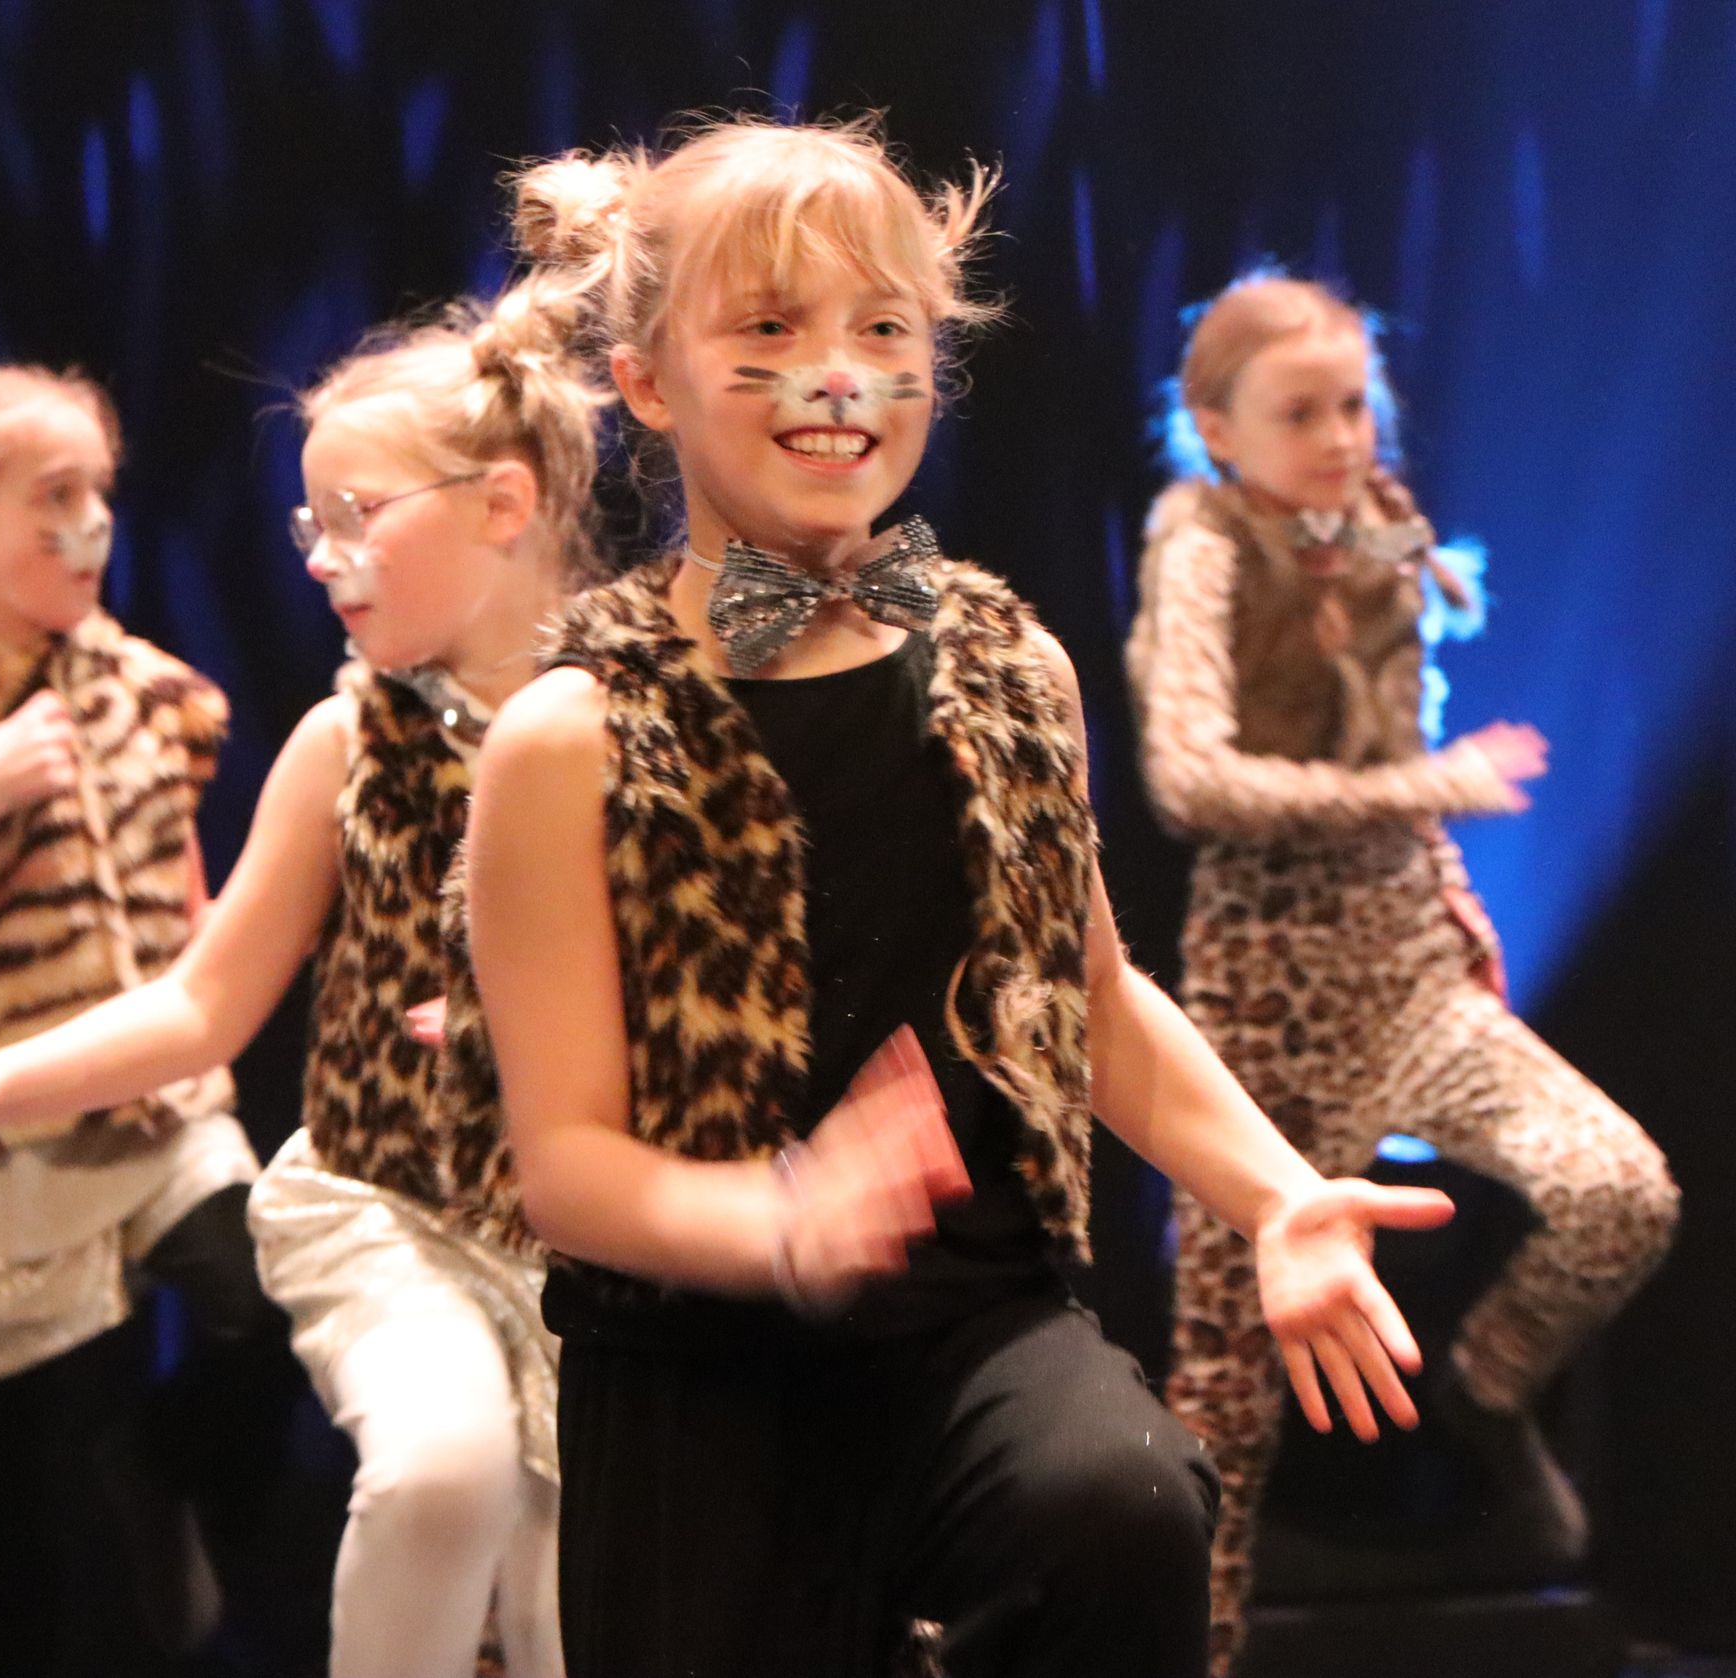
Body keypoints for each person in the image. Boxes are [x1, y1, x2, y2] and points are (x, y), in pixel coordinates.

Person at [446, 116, 1455, 1678]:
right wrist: (779, 1218)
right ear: (646, 381)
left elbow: (1095, 996)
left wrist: (1276, 1193)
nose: (836, 378)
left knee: (1120, 1504)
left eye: (882, 330)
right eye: (769, 330)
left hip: (973, 1324)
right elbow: (567, 1165)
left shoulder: (1008, 667)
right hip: (700, 1368)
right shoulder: (571, 736)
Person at [0, 275, 602, 1678]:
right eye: (312, 525)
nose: (323, 558)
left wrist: (549, 1019)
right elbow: (204, 999)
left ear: (504, 505)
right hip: (395, 1206)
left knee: (569, 1602)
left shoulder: (645, 725)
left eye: (358, 516)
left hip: (590, 1235)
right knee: (444, 1471)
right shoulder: (350, 741)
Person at [1129, 270, 1680, 1674]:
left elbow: (1406, 675)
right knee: (1226, 1394)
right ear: (1215, 428)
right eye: (1299, 413)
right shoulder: (1199, 542)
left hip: (1414, 974)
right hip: (1267, 1005)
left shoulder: (1371, 517)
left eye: (1353, 406)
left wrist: (1445, 869)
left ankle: (1483, 1396)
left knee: (1620, 1193)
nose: (1339, 438)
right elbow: (1189, 779)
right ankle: (1197, 1652)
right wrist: (1428, 784)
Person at [0, 365, 279, 1676]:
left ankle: (162, 1467)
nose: (90, 528)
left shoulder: (144, 687)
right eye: (54, 498)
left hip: (153, 1106)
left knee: (261, 1310)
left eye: (100, 495)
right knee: (6, 1520)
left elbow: (193, 917)